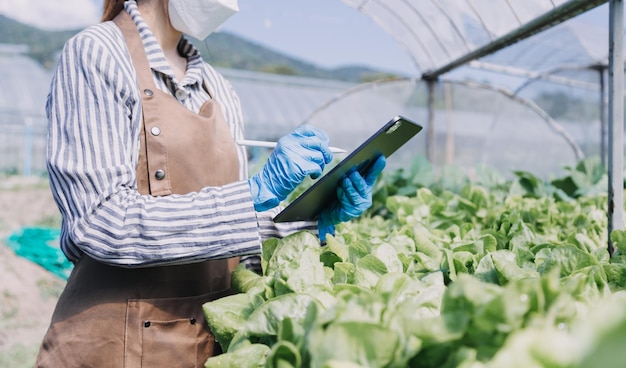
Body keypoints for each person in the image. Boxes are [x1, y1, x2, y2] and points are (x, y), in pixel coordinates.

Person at [35, 0, 386, 366]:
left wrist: (312, 218)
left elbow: (231, 238)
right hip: (113, 346)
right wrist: (253, 194)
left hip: (204, 346)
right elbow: (100, 221)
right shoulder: (97, 53)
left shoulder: (218, 89)